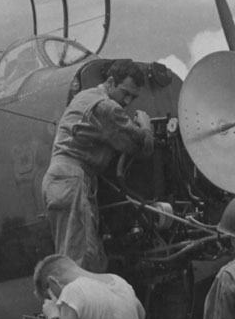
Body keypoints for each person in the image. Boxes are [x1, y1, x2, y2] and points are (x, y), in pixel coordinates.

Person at [42, 59, 154, 272]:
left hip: (66, 179)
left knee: (88, 257)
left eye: (133, 96)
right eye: (125, 93)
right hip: (73, 179)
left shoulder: (86, 96)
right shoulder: (105, 107)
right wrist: (146, 128)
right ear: (111, 82)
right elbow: (140, 146)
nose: (127, 101)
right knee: (79, 260)